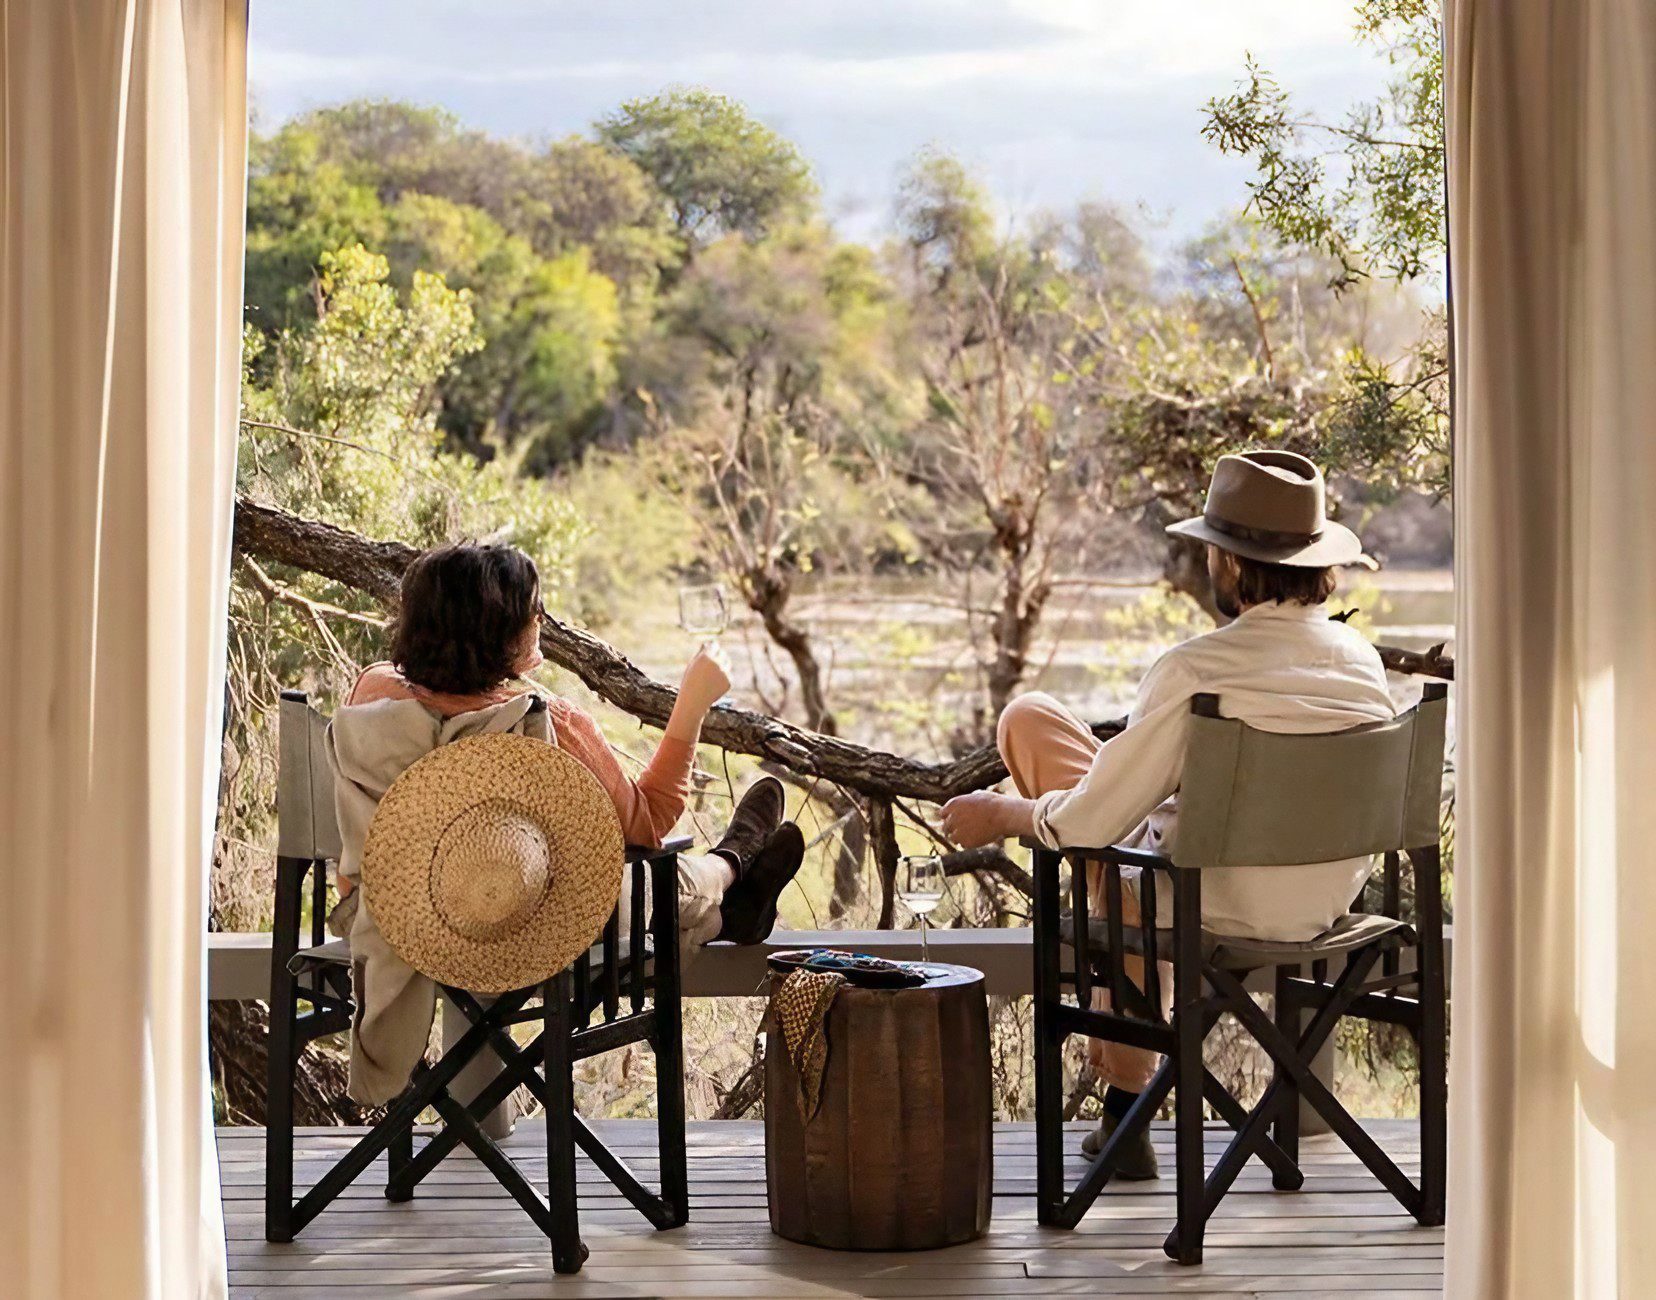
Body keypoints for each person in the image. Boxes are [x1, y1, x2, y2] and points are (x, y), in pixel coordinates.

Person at [940, 449, 1396, 1177]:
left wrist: (1005, 813)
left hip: (1200, 908)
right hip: (1324, 908)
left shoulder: (1197, 669)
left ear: (1233, 566)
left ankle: (1127, 1107)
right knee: (1116, 815)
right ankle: (1126, 1114)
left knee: (1041, 740)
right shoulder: (1359, 662)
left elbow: (1090, 827)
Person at [328, 541, 803, 1104]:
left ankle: (733, 908)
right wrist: (691, 706)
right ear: (501, 634)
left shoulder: (371, 696)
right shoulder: (544, 725)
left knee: (652, 898)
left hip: (398, 921)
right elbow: (648, 822)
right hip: (526, 933)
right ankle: (731, 867)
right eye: (533, 610)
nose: (541, 621)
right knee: (661, 886)